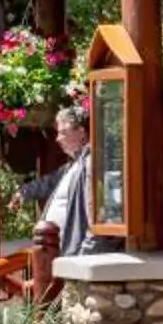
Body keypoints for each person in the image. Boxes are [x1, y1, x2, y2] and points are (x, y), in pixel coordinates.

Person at [31, 103, 98, 256]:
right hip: (60, 251)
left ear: (81, 132)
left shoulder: (90, 164)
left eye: (63, 132)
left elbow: (92, 212)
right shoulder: (74, 165)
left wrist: (84, 251)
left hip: (77, 254)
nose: (58, 139)